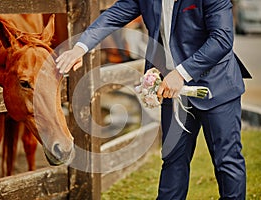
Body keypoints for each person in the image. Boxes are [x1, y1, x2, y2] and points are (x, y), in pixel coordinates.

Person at [55, 0, 251, 199]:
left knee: (227, 162)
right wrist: (80, 47)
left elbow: (222, 39)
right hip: (171, 91)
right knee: (173, 161)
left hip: (216, 86)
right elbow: (112, 16)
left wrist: (182, 74)